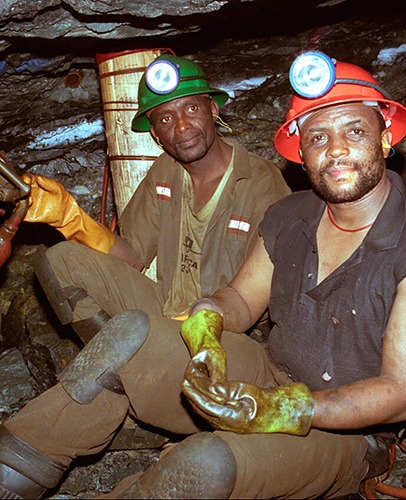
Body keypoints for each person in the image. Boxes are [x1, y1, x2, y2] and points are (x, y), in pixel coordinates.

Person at [0, 53, 406, 500]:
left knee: (206, 464)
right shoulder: (290, 215)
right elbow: (241, 301)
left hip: (349, 432)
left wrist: (283, 409)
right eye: (318, 136)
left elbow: (401, 396)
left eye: (354, 130)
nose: (337, 148)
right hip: (268, 373)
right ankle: (12, 469)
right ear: (300, 150)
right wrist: (207, 320)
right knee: (128, 333)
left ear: (386, 136)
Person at [18, 53, 290, 343]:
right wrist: (68, 217)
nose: (182, 126)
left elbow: (275, 286)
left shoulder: (260, 180)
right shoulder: (165, 172)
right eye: (166, 118)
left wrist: (204, 318)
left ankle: (134, 355)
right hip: (164, 313)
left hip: (228, 330)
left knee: (152, 350)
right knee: (61, 259)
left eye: (192, 108)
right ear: (155, 132)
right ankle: (119, 355)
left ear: (212, 108)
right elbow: (133, 256)